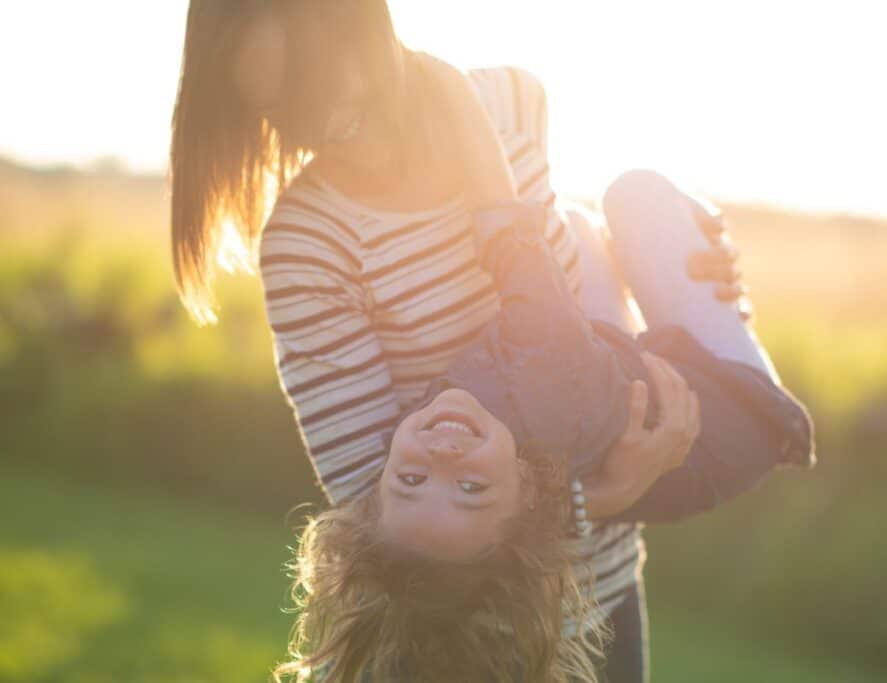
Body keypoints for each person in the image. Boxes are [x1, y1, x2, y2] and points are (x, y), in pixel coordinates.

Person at [168, 1, 793, 680]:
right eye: (279, 111)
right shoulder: (307, 243)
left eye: (316, 80)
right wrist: (609, 489)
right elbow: (366, 498)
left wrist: (677, 243)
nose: (313, 123)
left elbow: (565, 277)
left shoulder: (510, 102)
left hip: (602, 589)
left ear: (357, 22)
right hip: (464, 640)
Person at [274, 171, 814, 683]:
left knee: (576, 235)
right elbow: (534, 283)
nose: (442, 456)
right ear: (529, 491)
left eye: (410, 481)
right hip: (745, 415)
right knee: (635, 198)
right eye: (470, 488)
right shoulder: (538, 402)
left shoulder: (469, 432)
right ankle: (716, 295)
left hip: (631, 383)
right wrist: (503, 230)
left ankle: (646, 289)